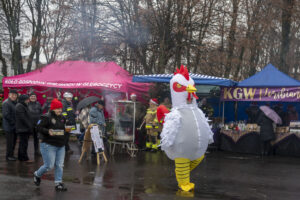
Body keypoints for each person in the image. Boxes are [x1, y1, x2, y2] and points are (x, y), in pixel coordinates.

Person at [34, 98, 69, 191]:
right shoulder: (45, 117)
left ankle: (58, 183)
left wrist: (67, 130)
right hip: (48, 144)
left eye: (60, 108)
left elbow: (63, 129)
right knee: (49, 165)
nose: (60, 110)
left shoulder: (62, 117)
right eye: (57, 108)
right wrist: (47, 131)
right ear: (53, 108)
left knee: (59, 165)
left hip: (61, 145)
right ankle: (37, 174)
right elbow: (38, 127)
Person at [16, 94, 33, 162]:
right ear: (23, 99)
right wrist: (29, 125)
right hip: (22, 128)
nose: (28, 100)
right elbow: (23, 118)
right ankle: (24, 158)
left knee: (23, 143)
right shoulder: (20, 106)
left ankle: (21, 157)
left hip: (24, 128)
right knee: (23, 144)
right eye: (27, 99)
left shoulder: (23, 105)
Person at [2, 89, 18, 161]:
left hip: (14, 126)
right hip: (9, 127)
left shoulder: (14, 102)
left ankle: (11, 155)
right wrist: (14, 122)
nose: (14, 96)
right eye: (12, 95)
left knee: (13, 142)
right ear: (9, 95)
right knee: (10, 143)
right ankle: (8, 156)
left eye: (15, 95)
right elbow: (6, 115)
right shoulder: (6, 103)